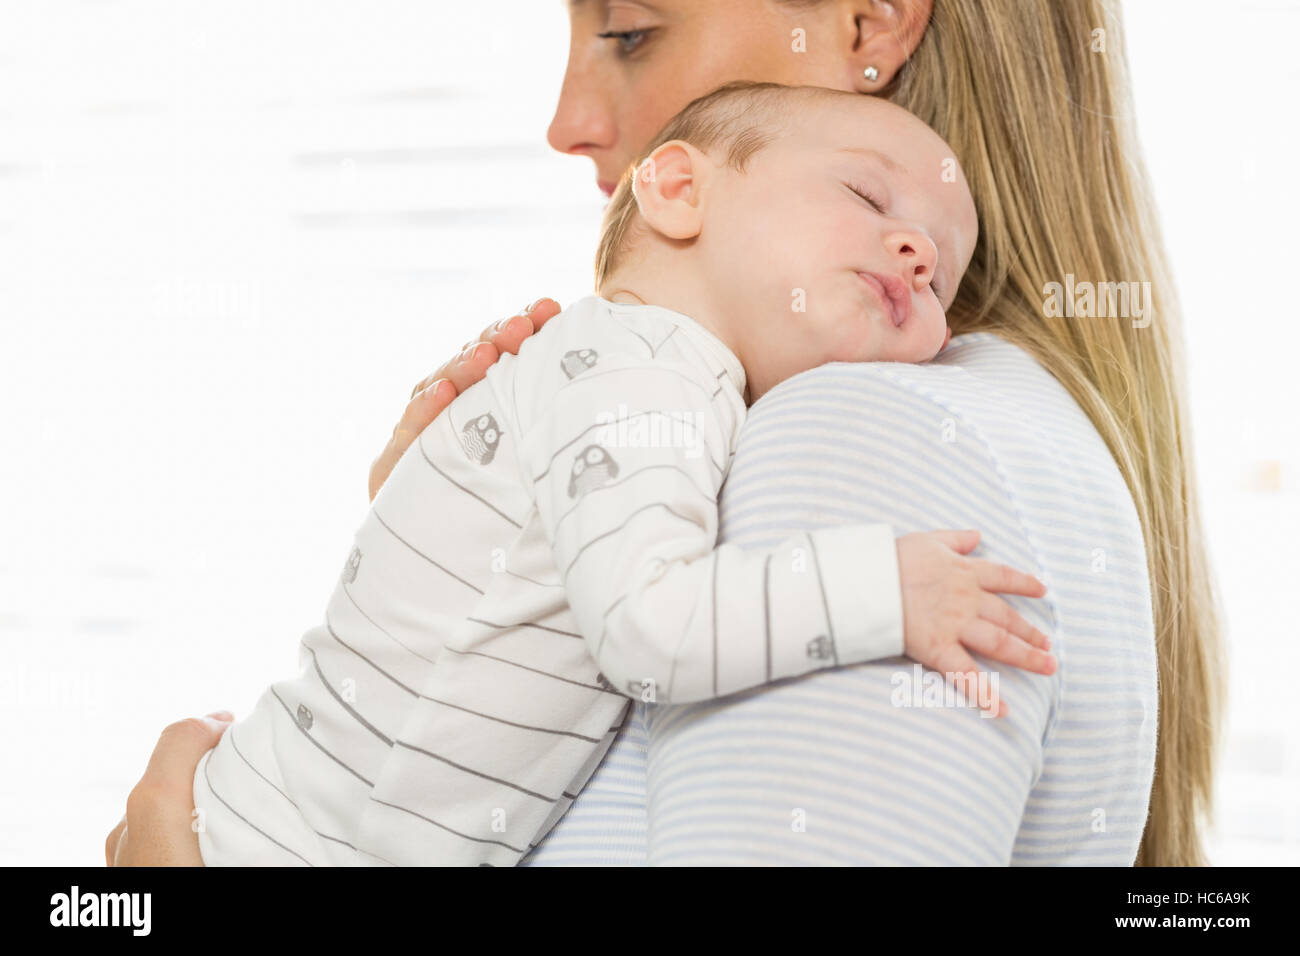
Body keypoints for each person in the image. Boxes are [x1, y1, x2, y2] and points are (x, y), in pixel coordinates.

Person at [108, 0, 1223, 867]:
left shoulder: (863, 426)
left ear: (869, 20)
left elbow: (657, 627)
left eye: (631, 33)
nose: (566, 122)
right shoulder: (967, 413)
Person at [194, 83, 1056, 866]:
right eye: (867, 198)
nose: (912, 255)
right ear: (679, 190)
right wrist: (882, 589)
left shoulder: (661, 378)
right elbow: (653, 626)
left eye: (940, 276)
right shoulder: (636, 362)